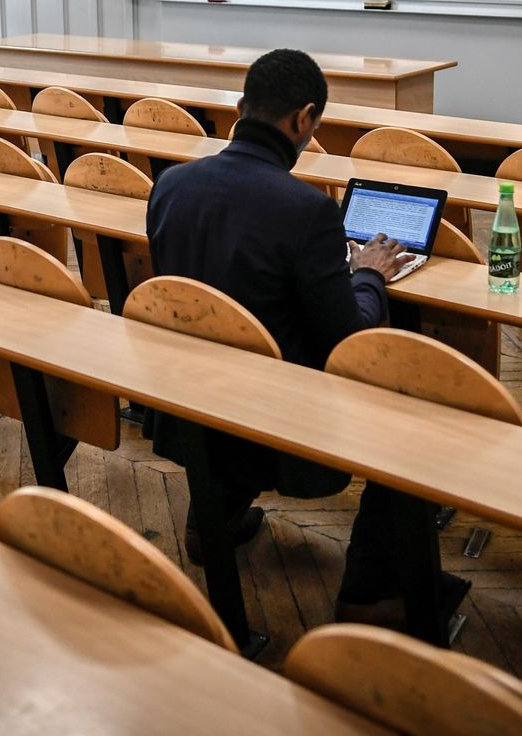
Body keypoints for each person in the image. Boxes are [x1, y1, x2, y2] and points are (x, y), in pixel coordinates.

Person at [145, 47, 452, 629]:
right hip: (281, 420)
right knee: (418, 416)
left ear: (241, 107)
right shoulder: (307, 210)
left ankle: (211, 520)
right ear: (304, 118)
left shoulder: (171, 185)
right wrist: (367, 274)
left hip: (193, 399)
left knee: (233, 350)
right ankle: (373, 594)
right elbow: (349, 339)